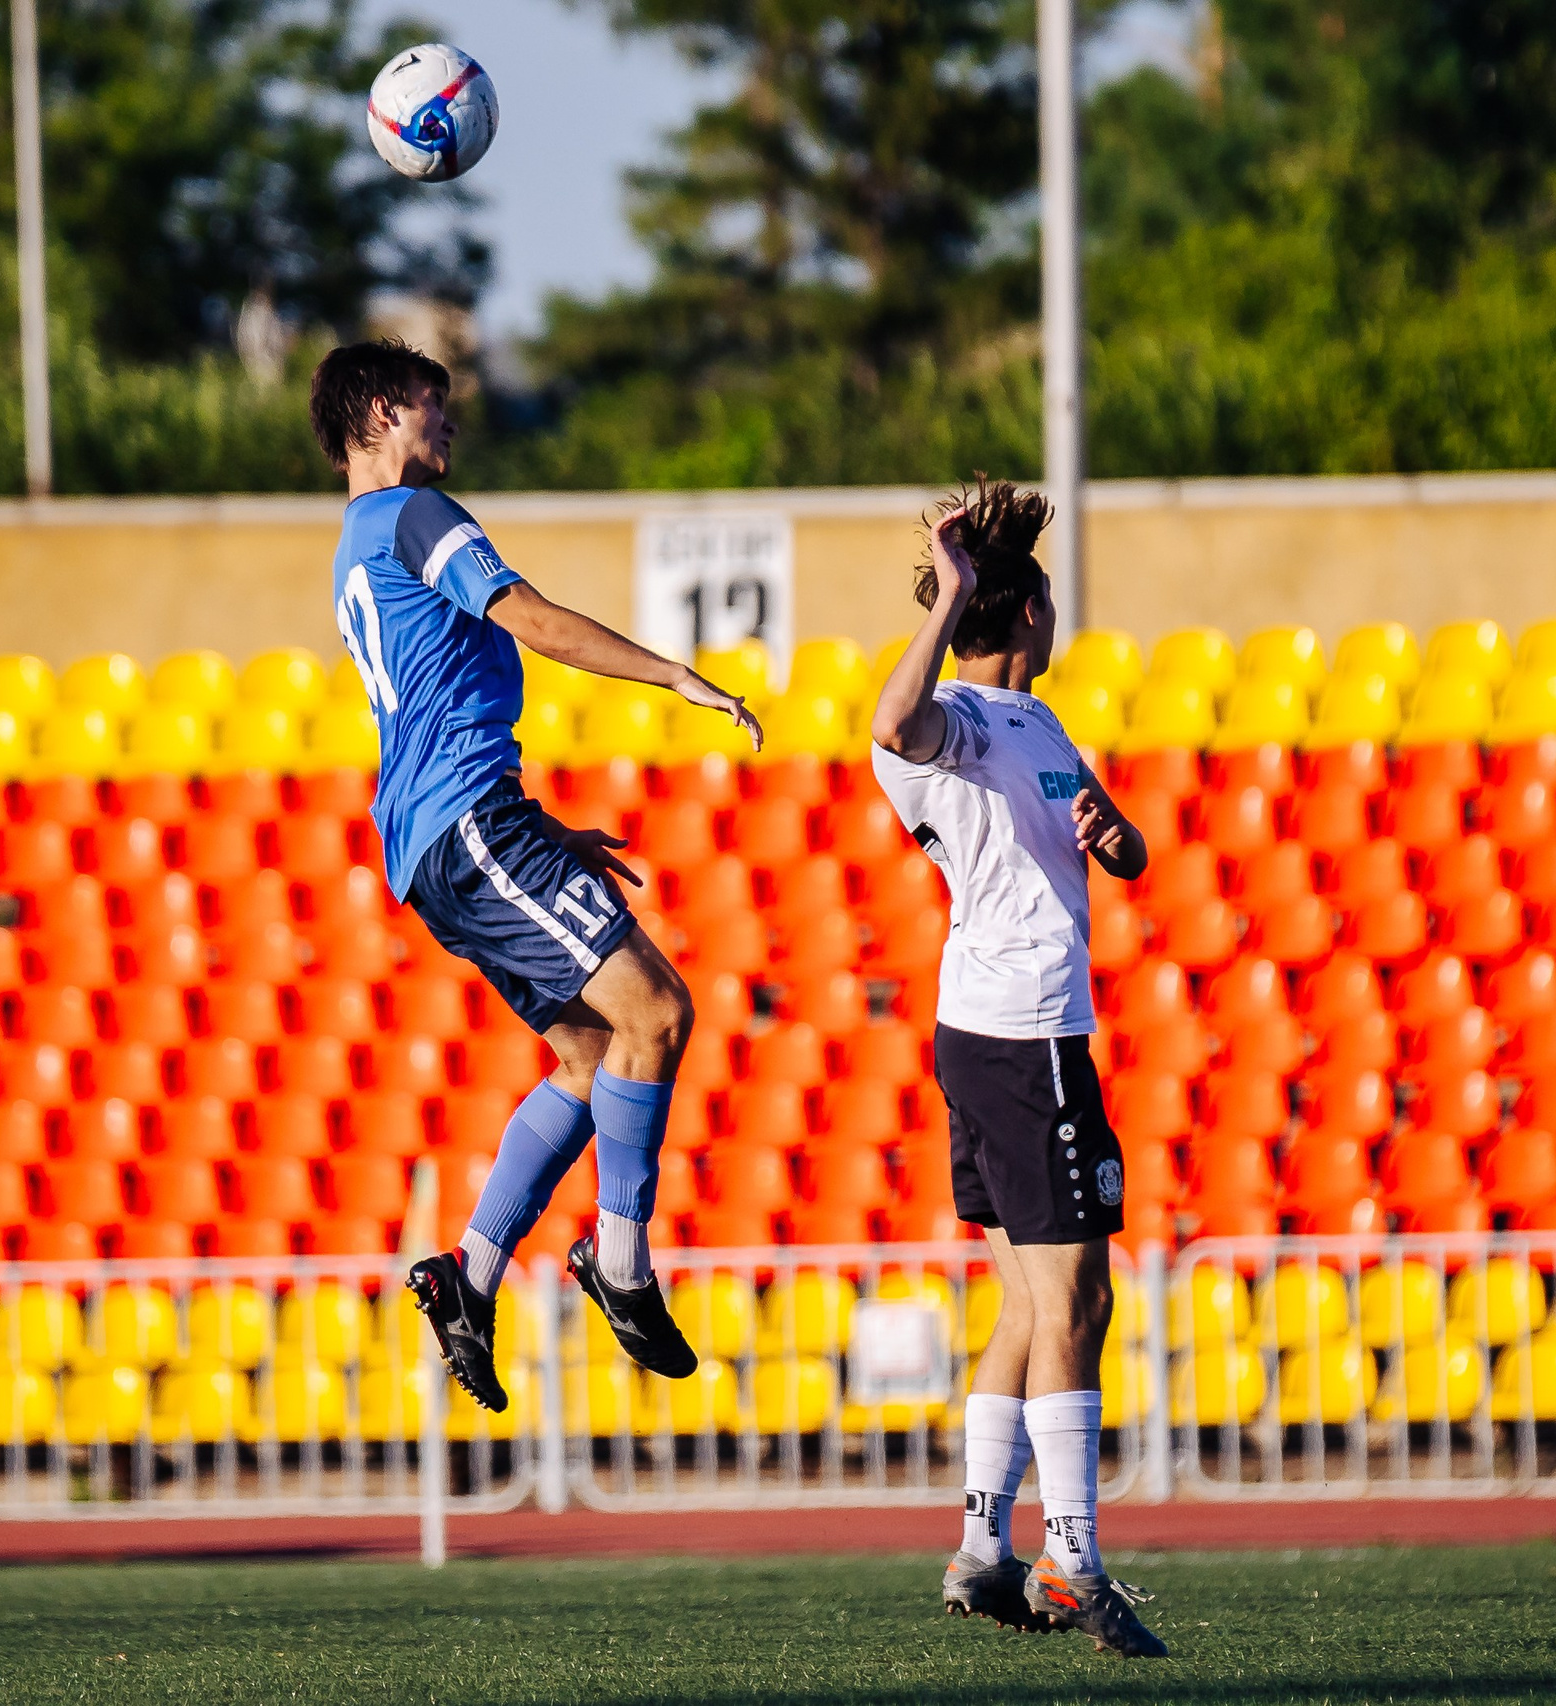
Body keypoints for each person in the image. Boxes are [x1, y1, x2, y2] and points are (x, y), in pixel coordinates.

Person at [308, 339, 759, 1407]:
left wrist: (543, 827)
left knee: (593, 1051)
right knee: (655, 1010)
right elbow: (533, 619)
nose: (449, 425)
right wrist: (670, 672)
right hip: (469, 825)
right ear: (381, 412)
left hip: (444, 838)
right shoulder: (419, 517)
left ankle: (467, 1273)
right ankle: (622, 1261)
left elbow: (431, 712)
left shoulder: (352, 544)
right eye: (433, 405)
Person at [868, 480, 1164, 1659]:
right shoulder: (952, 719)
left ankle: (984, 1546)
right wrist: (947, 595)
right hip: (1022, 1036)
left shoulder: (1039, 727)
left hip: (1006, 1032)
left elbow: (1121, 846)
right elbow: (891, 723)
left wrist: (1115, 838)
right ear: (1026, 609)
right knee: (1078, 1298)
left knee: (1027, 1305)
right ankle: (1073, 1555)